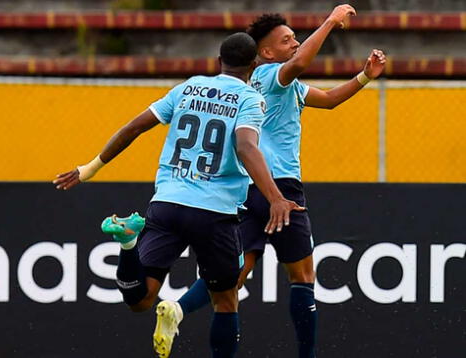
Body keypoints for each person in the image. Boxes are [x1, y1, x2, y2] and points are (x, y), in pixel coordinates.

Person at [54, 32, 303, 358]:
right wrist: (275, 197)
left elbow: (134, 127)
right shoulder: (249, 99)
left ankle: (128, 244)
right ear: (254, 66)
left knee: (140, 299)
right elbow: (245, 145)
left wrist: (91, 167)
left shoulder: (188, 87)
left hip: (167, 203)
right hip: (215, 212)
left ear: (219, 62)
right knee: (226, 299)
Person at [163, 5, 387, 358]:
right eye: (287, 40)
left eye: (295, 37)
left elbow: (327, 100)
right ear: (265, 53)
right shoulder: (269, 76)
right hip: (280, 185)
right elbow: (297, 65)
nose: (295, 43)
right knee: (302, 275)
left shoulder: (282, 86)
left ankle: (179, 308)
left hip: (246, 188)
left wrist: (363, 77)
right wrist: (329, 22)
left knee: (237, 273)